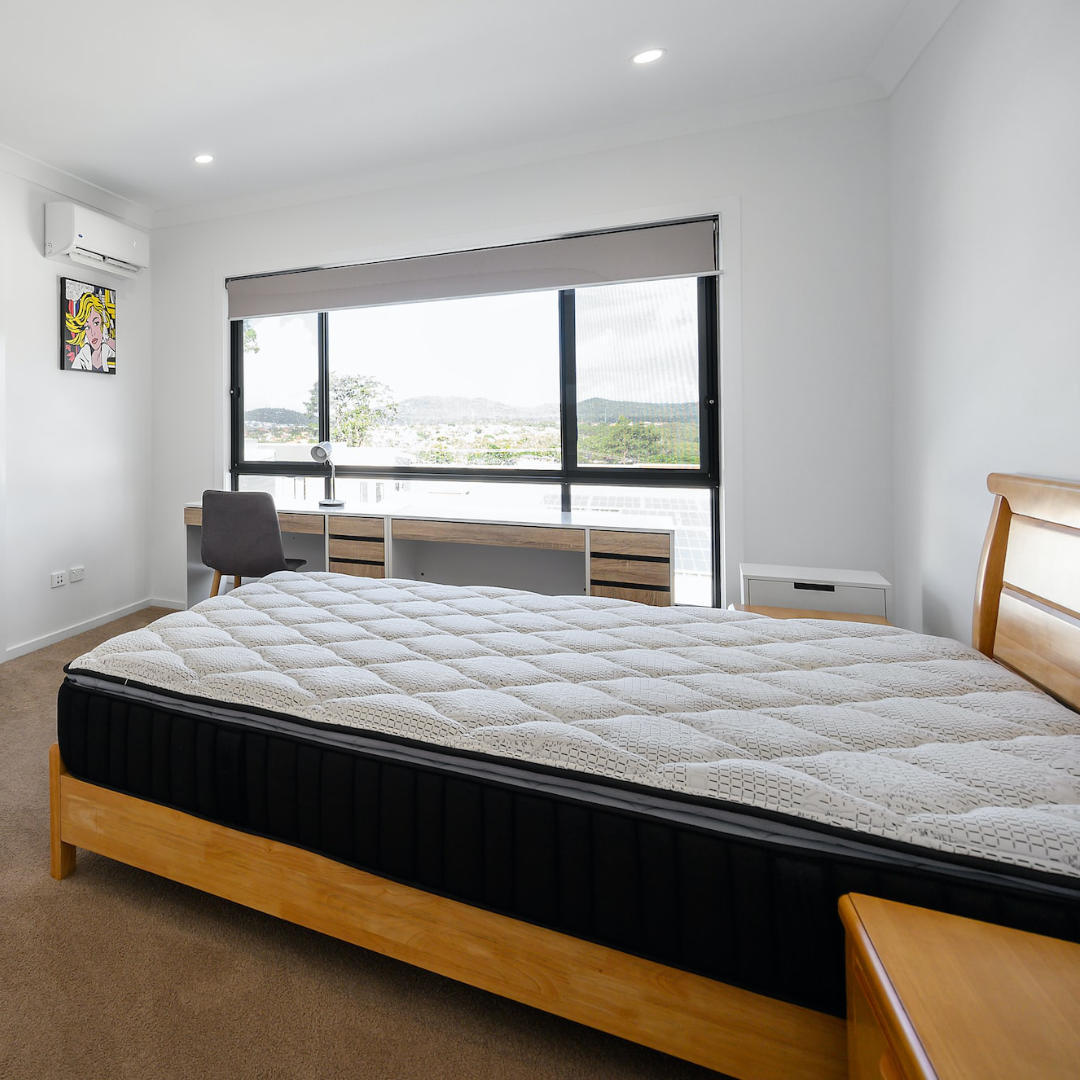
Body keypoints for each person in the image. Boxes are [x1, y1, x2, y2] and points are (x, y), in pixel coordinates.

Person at [66, 290, 116, 372]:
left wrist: (107, 339)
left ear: (103, 323)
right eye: (87, 327)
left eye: (96, 323)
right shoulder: (80, 359)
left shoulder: (110, 353)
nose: (93, 333)